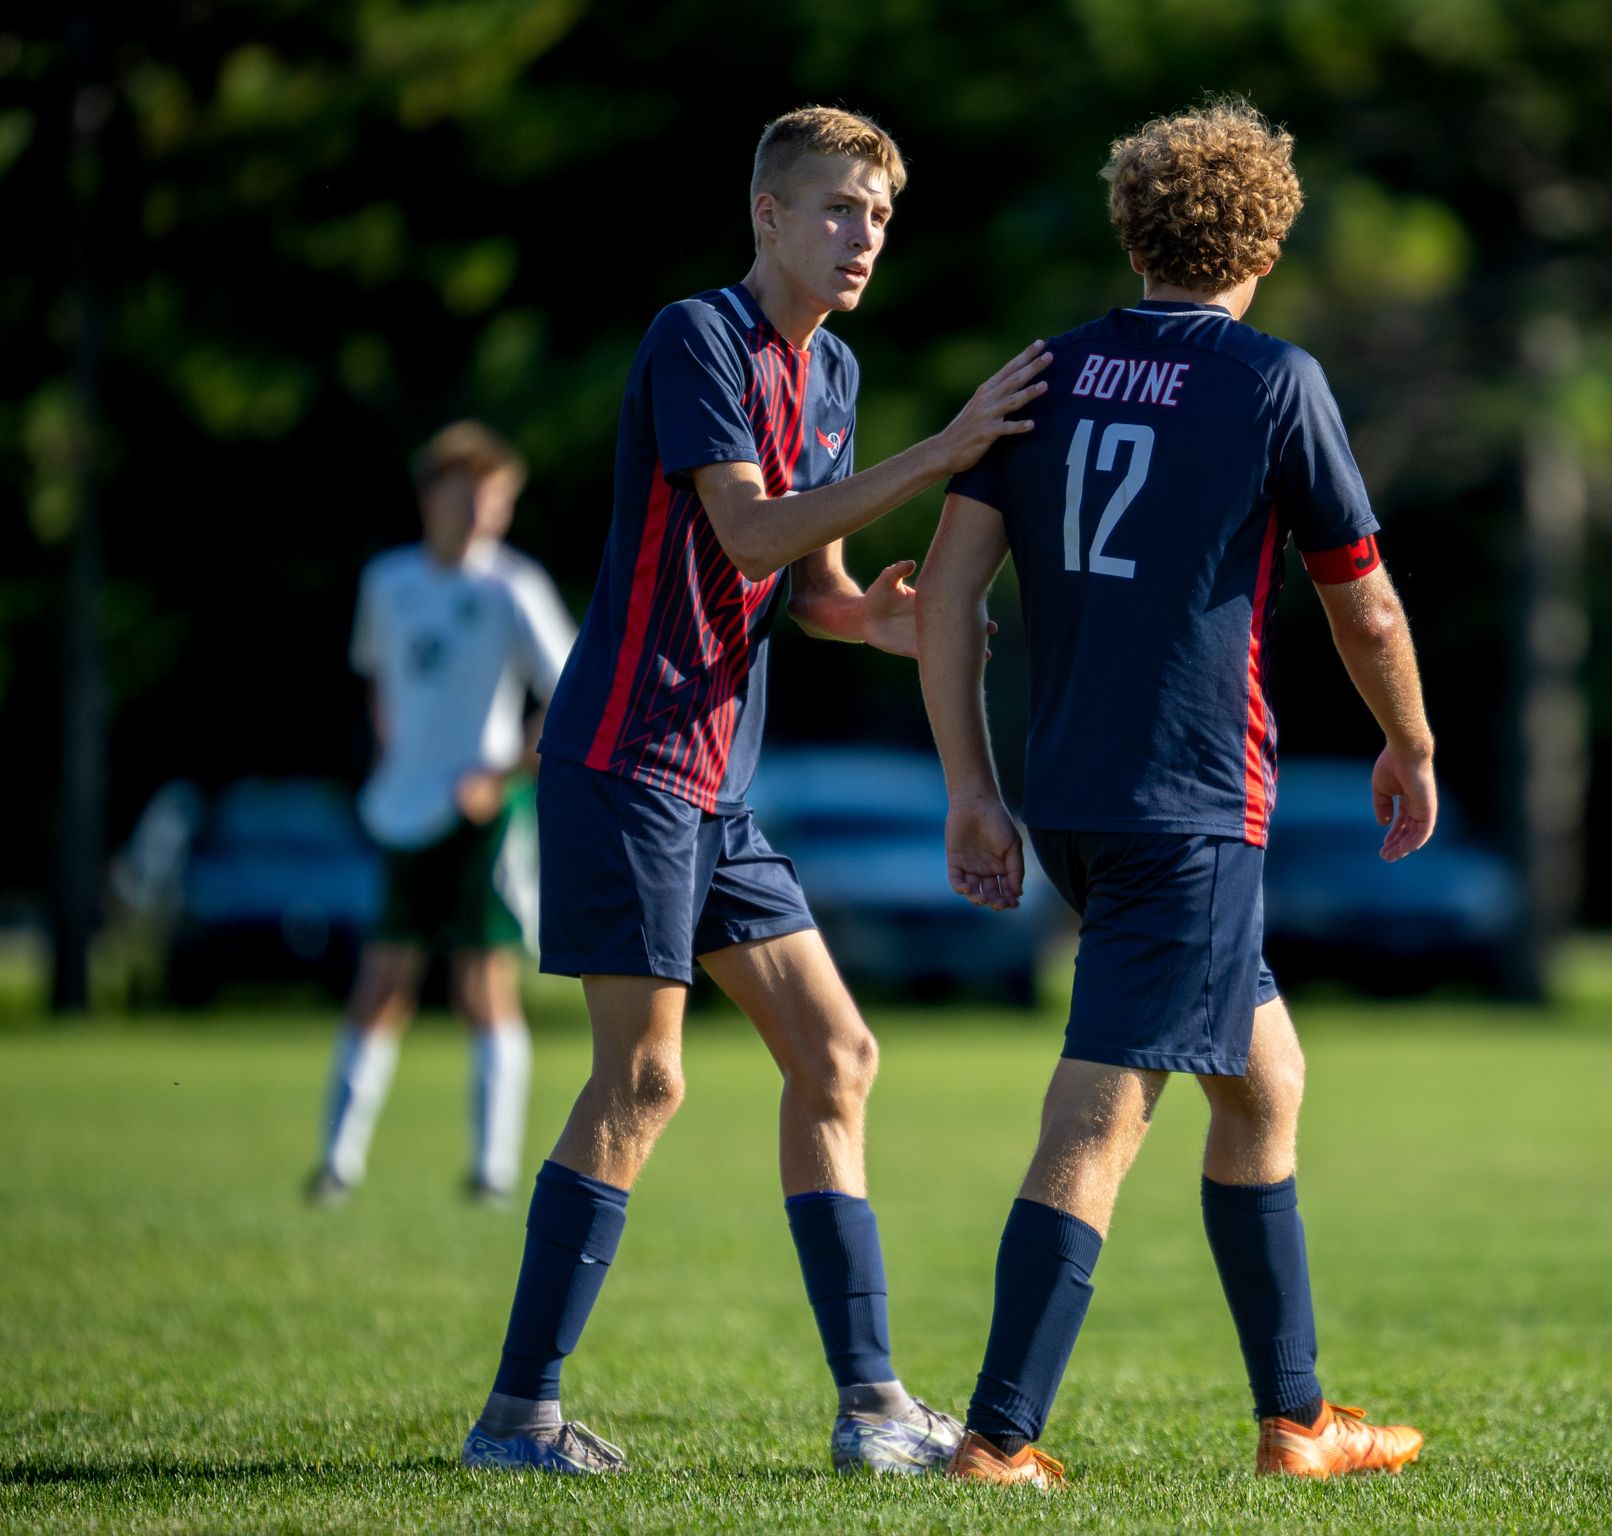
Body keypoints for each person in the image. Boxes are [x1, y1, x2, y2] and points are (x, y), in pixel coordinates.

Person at [458, 106, 1050, 1477]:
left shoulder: (832, 372)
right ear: (768, 216)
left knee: (838, 1058)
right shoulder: (697, 339)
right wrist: (948, 453)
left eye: (881, 219)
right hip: (624, 760)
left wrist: (879, 623)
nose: (863, 239)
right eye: (839, 209)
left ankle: (873, 1410)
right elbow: (747, 527)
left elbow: (806, 585)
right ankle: (519, 1418)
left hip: (715, 782)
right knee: (646, 1079)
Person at [916, 99, 1434, 1486]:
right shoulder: (1274, 382)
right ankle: (999, 1441)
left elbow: (954, 592)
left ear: (1132, 228)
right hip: (1190, 806)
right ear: (1265, 235)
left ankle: (1300, 1420)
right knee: (1101, 1121)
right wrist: (1415, 745)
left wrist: (973, 788)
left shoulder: (1044, 374)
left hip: (1075, 801)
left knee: (1266, 1085)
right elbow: (1365, 605)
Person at [311, 421, 577, 1206]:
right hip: (403, 810)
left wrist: (503, 776)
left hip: (482, 815)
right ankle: (337, 1163)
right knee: (382, 983)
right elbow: (378, 679)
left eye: (495, 503)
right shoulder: (387, 583)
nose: (482, 516)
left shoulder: (512, 586)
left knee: (481, 986)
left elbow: (568, 692)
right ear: (432, 496)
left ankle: (492, 1171)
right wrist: (399, 764)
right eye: (468, 498)